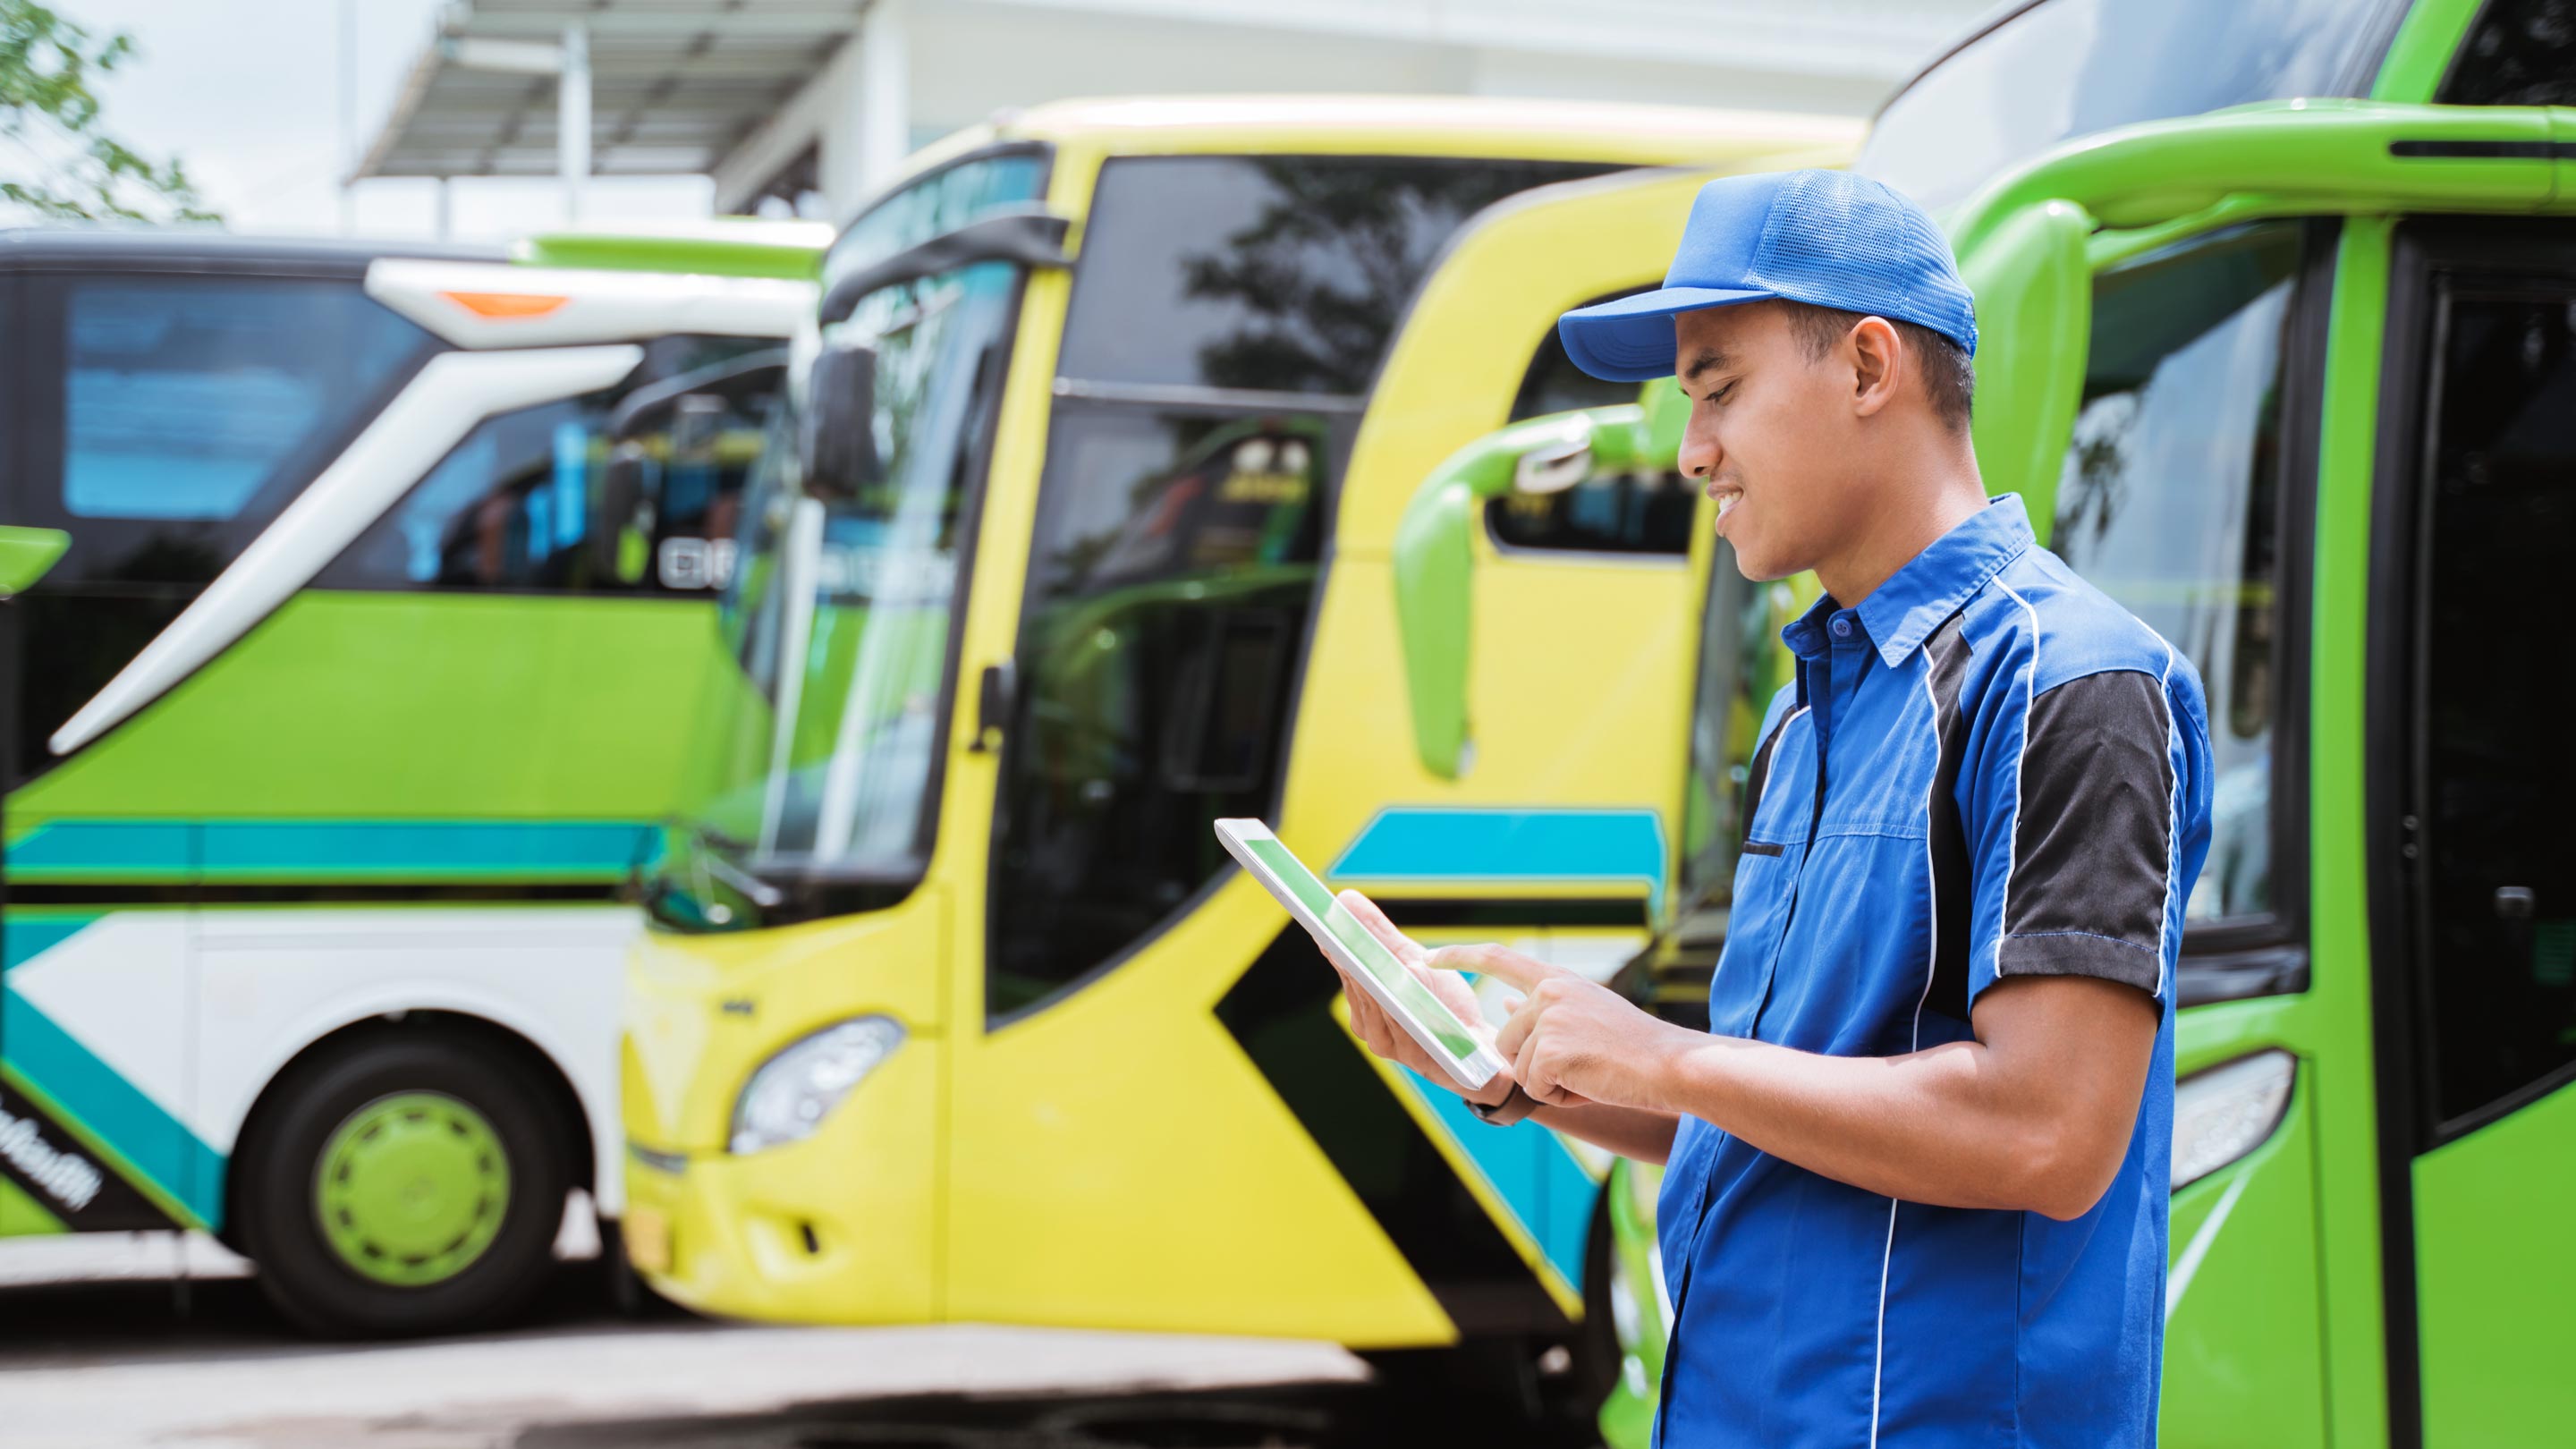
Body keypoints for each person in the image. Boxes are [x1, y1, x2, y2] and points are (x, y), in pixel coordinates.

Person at [1309, 169, 2212, 1447]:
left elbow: (2048, 1133)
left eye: (1719, 389)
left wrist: (1666, 1055)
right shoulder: (1809, 713)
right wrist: (1523, 1073)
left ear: (1866, 365)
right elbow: (1778, 1109)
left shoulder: (2073, 683)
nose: (1691, 452)